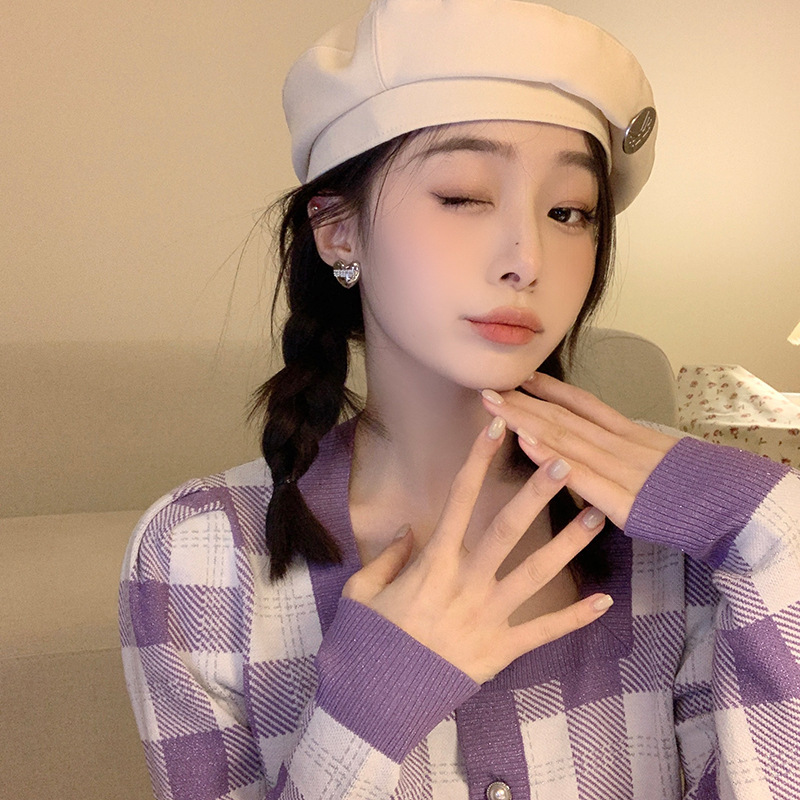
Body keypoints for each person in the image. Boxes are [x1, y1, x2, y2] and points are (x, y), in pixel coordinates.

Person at [119, 2, 800, 798]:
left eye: (569, 212)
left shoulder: (681, 528)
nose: (527, 258)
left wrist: (775, 525)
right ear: (337, 231)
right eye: (465, 195)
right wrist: (365, 715)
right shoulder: (199, 557)